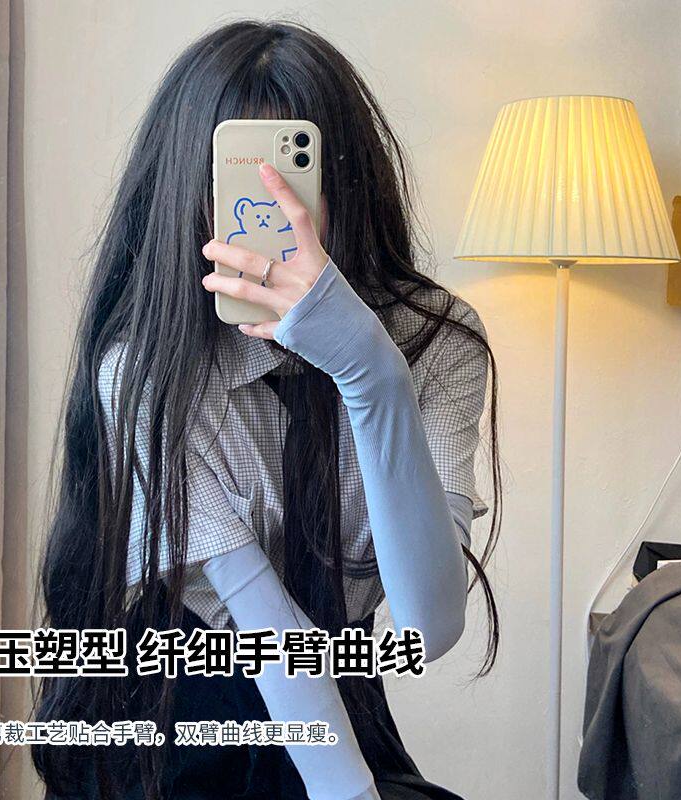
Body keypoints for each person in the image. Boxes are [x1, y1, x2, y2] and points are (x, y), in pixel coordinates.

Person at [32, 19, 502, 800]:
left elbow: (428, 628)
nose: (271, 216)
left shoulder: (436, 342)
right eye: (239, 184)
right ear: (190, 190)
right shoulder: (148, 369)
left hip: (343, 696)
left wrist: (371, 372)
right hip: (172, 714)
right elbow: (263, 626)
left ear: (349, 180)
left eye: (295, 176)